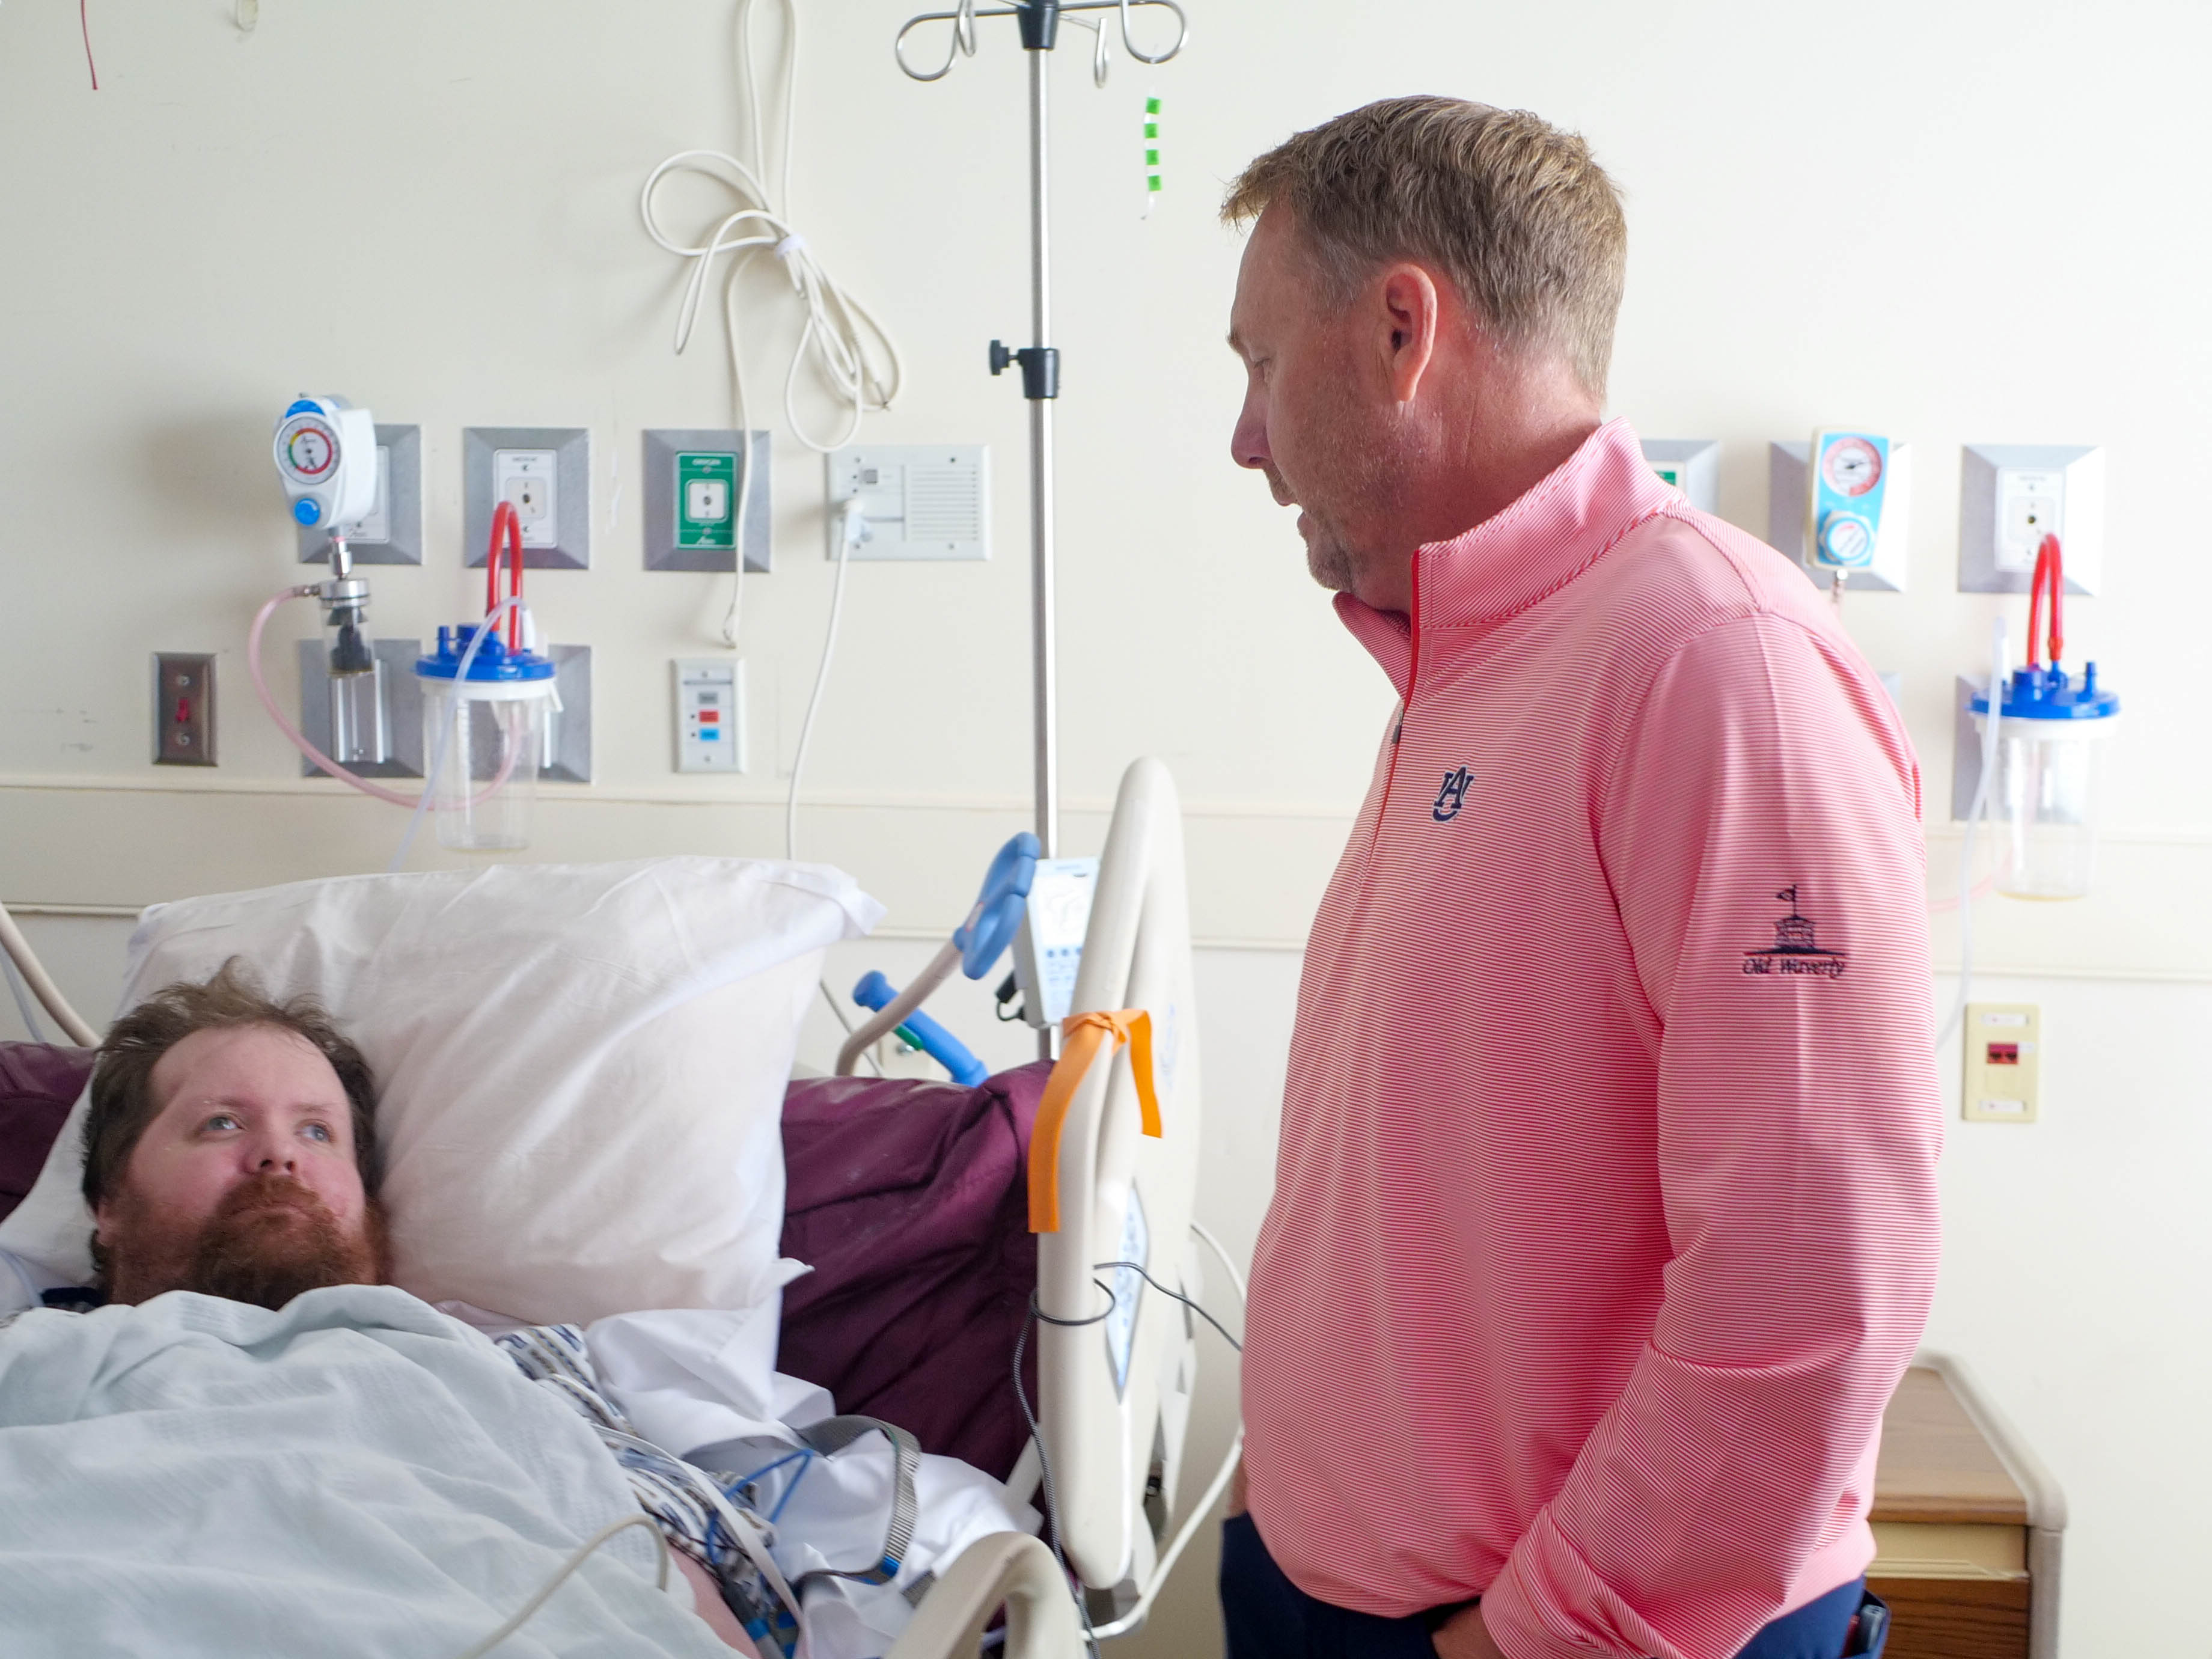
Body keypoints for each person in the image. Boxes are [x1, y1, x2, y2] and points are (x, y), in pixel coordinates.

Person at [1219, 98, 1941, 1659]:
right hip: (1340, 1589)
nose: (1247, 438)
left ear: (1403, 331)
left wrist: (1544, 1636)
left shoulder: (1714, 666)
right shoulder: (1478, 661)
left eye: (1260, 364)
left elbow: (1813, 1283)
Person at [54, 964, 766, 1655]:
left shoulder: (511, 1372)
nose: (278, 1155)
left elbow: (669, 1594)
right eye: (221, 1123)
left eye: (317, 1132)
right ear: (109, 1204)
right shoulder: (36, 1360)